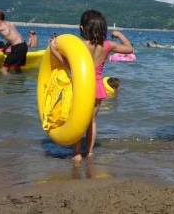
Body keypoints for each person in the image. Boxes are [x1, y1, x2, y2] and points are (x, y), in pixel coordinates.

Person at [49, 9, 133, 162]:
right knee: (92, 121)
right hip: (97, 87)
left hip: (80, 87)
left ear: (82, 28)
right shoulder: (107, 45)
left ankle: (76, 154)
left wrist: (54, 47)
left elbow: (62, 59)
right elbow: (129, 49)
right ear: (103, 29)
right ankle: (90, 152)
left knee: (76, 120)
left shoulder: (78, 45)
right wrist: (120, 35)